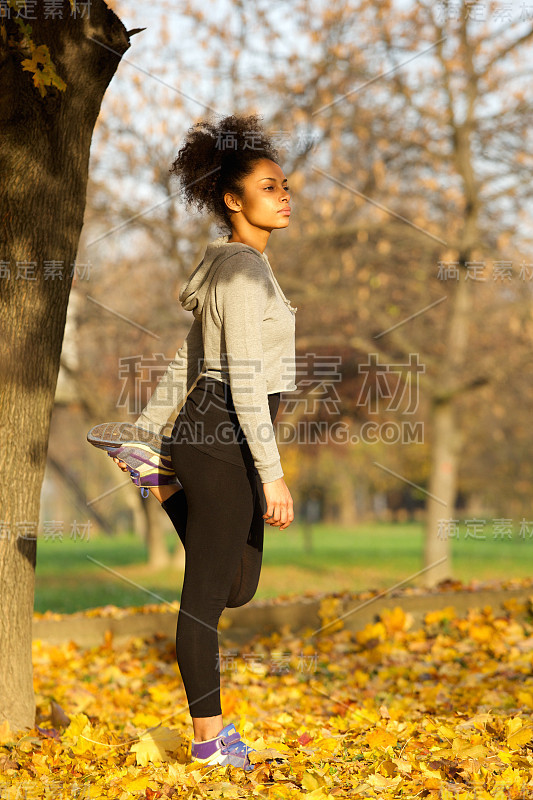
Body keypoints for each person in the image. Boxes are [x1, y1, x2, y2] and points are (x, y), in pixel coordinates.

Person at [86, 113, 298, 772]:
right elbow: (232, 375)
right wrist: (272, 474)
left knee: (239, 586)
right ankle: (209, 741)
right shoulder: (238, 270)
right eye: (268, 187)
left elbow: (190, 356)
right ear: (233, 200)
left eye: (284, 184)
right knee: (207, 595)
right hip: (220, 434)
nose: (284, 195)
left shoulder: (241, 268)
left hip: (215, 432)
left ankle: (160, 474)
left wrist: (148, 429)